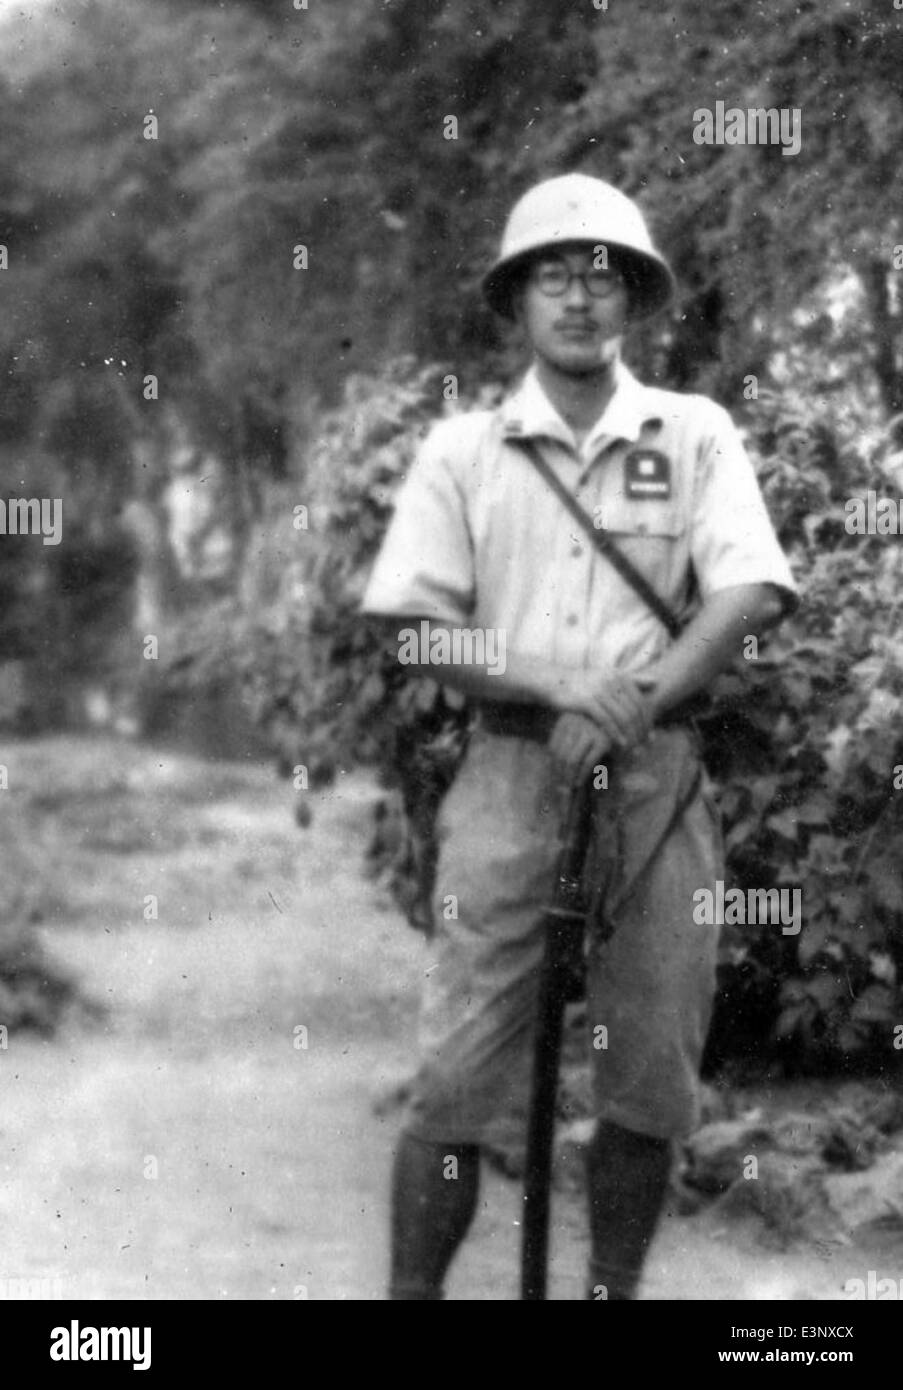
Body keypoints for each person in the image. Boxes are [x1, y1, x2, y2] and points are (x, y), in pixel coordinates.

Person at [361, 172, 798, 1300]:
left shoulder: (693, 433)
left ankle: (609, 1296)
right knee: (457, 1076)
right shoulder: (462, 452)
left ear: (636, 301)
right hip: (512, 772)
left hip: (657, 780)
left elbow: (747, 590)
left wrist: (633, 703)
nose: (579, 298)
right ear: (516, 302)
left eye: (604, 277)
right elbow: (415, 629)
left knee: (648, 1075)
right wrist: (563, 687)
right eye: (553, 276)